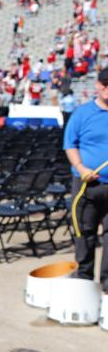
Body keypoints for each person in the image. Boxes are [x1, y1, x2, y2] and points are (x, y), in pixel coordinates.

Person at [63, 67, 108, 293]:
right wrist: (81, 167)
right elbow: (70, 144)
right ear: (98, 86)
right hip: (86, 186)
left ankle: (107, 286)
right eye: (106, 84)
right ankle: (83, 284)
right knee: (85, 235)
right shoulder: (82, 113)